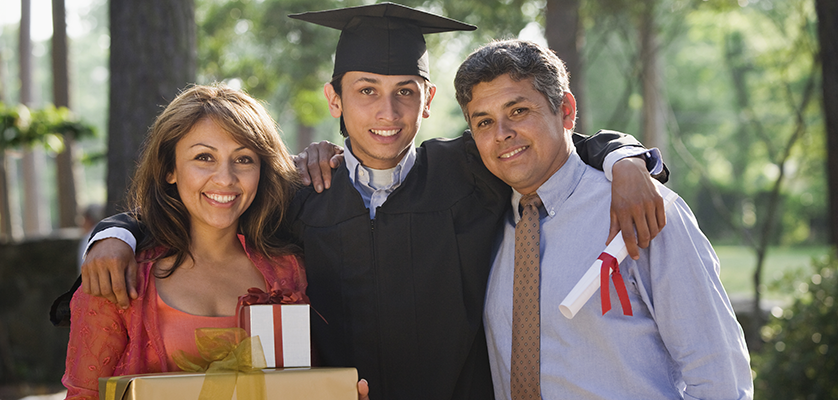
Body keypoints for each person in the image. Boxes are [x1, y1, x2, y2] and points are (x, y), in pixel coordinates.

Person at [69, 4, 668, 399]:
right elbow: (205, 211)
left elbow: (553, 145)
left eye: (405, 93)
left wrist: (625, 158)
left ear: (428, 100)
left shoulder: (469, 171)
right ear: (334, 99)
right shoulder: (299, 195)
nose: (387, 113)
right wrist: (116, 232)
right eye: (366, 92)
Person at [454, 39, 753, 399]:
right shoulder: (481, 225)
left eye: (518, 111)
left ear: (565, 110)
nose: (502, 134)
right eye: (484, 122)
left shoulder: (643, 210)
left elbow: (718, 375)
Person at [61, 84, 309, 399]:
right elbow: (85, 395)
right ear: (169, 169)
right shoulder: (116, 276)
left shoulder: (291, 272)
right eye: (204, 157)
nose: (225, 178)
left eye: (244, 159)